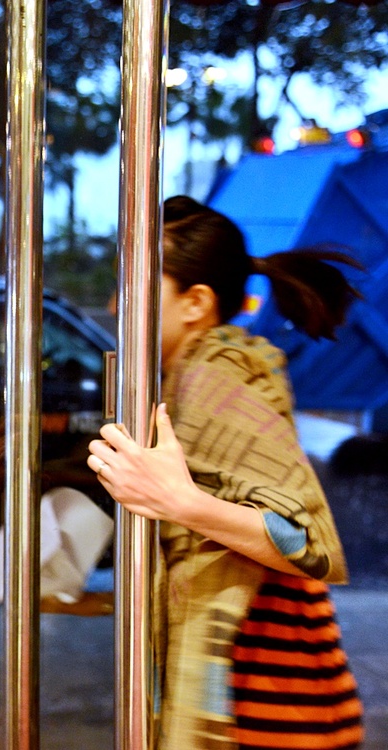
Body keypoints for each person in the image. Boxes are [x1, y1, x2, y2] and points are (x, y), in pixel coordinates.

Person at [88, 196, 365, 749]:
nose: (118, 304)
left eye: (136, 285)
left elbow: (307, 540)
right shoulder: (188, 378)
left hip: (272, 699)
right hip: (266, 693)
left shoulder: (216, 381)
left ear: (195, 302)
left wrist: (182, 503)